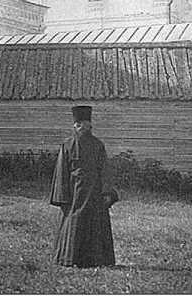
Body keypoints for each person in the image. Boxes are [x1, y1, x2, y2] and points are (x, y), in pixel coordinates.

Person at [50, 105, 119, 267]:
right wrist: (61, 196)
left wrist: (106, 192)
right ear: (74, 126)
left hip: (94, 191)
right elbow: (61, 172)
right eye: (78, 125)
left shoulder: (98, 145)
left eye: (85, 125)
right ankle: (69, 258)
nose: (81, 128)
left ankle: (96, 259)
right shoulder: (67, 145)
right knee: (72, 222)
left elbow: (104, 170)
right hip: (74, 192)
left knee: (95, 223)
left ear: (90, 126)